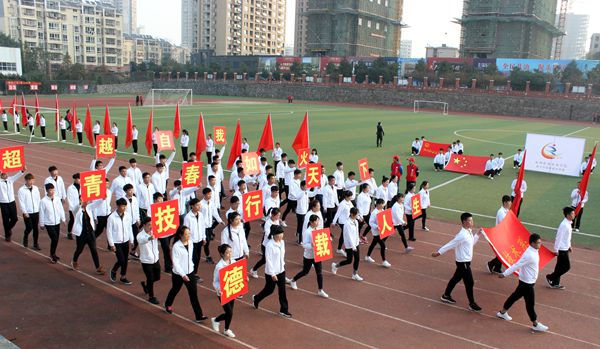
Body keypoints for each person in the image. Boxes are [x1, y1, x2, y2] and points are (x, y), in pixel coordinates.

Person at [497, 233, 549, 332]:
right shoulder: (529, 255)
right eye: (538, 243)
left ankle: (502, 313)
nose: (540, 244)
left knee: (515, 296)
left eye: (540, 242)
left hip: (526, 281)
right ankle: (535, 323)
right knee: (530, 304)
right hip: (527, 283)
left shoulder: (534, 250)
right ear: (533, 243)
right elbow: (517, 265)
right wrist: (505, 274)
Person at [432, 212, 482, 312]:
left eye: (472, 220)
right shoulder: (462, 235)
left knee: (456, 278)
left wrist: (478, 234)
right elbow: (451, 244)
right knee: (469, 282)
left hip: (465, 262)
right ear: (464, 222)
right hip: (463, 262)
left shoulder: (468, 231)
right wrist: (439, 252)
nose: (472, 222)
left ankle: (446, 295)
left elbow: (471, 243)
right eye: (470, 220)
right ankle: (472, 304)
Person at [164, 225, 208, 322]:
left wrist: (191, 268)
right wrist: (183, 275)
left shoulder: (191, 243)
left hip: (190, 272)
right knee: (175, 289)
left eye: (189, 233)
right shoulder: (176, 246)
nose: (189, 235)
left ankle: (199, 316)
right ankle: (168, 304)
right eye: (186, 234)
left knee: (193, 294)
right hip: (178, 274)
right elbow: (176, 263)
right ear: (180, 235)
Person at [252, 224, 292, 318]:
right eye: (279, 234)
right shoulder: (270, 245)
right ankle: (256, 298)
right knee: (269, 290)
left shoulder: (282, 242)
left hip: (281, 271)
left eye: (282, 234)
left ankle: (284, 310)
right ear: (274, 235)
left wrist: (282, 265)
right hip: (271, 273)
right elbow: (268, 260)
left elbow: (282, 256)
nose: (281, 236)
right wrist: (273, 274)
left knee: (282, 291)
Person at [289, 214, 329, 298]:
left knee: (319, 273)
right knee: (305, 272)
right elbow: (304, 245)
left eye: (318, 221)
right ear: (311, 222)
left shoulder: (318, 229)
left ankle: (320, 290)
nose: (318, 222)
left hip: (317, 255)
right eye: (316, 221)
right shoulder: (307, 232)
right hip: (308, 256)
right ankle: (293, 280)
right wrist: (311, 245)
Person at [211, 244, 237, 338]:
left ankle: (226, 329)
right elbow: (215, 281)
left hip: (232, 290)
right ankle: (217, 320)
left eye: (230, 251)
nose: (229, 254)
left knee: (229, 312)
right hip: (223, 292)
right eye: (227, 252)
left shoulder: (233, 261)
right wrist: (219, 290)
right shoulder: (219, 266)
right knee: (229, 313)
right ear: (222, 254)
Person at [546, 207, 575, 289]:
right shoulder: (564, 225)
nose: (574, 215)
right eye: (573, 213)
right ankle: (550, 277)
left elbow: (567, 237)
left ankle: (555, 283)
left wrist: (569, 245)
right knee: (566, 267)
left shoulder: (568, 223)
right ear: (568, 215)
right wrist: (556, 249)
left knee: (559, 267)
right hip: (562, 249)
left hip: (565, 248)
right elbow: (558, 237)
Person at [71, 201, 104, 275]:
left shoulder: (89, 208)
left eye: (86, 200)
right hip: (81, 234)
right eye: (82, 200)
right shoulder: (77, 210)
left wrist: (103, 199)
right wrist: (80, 204)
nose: (85, 202)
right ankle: (74, 261)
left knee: (94, 249)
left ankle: (98, 267)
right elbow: (74, 209)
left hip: (90, 233)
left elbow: (96, 204)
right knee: (79, 249)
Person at [332, 207, 363, 281]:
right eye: (356, 215)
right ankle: (336, 266)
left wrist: (358, 240)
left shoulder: (356, 221)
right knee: (349, 260)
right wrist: (353, 247)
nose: (357, 216)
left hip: (356, 243)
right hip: (350, 245)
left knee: (357, 258)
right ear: (352, 214)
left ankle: (355, 274)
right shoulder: (347, 224)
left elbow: (356, 232)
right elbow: (349, 236)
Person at [107, 198, 134, 284]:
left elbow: (129, 228)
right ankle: (114, 270)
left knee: (125, 260)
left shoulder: (127, 216)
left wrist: (132, 240)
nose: (124, 208)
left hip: (125, 241)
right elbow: (109, 231)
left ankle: (123, 276)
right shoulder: (111, 217)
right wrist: (111, 244)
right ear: (118, 206)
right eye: (122, 206)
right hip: (116, 242)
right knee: (121, 260)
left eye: (125, 206)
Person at [250, 208, 281, 278]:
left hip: (274, 244)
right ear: (273, 215)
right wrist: (275, 237)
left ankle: (274, 272)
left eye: (279, 215)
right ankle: (253, 269)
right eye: (277, 216)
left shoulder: (277, 221)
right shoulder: (268, 223)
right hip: (266, 245)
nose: (278, 217)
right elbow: (267, 234)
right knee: (264, 260)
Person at [39, 183, 66, 263]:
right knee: (54, 238)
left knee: (56, 239)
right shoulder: (43, 201)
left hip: (57, 222)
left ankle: (53, 253)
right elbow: (42, 213)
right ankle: (52, 254)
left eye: (53, 190)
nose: (52, 191)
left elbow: (60, 208)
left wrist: (63, 219)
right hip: (49, 223)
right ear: (47, 191)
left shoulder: (57, 198)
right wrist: (42, 223)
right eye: (50, 190)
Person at [137, 217, 161, 304]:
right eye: (149, 225)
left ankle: (146, 286)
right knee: (150, 278)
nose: (151, 226)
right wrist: (149, 238)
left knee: (157, 277)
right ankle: (151, 297)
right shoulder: (140, 235)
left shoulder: (155, 232)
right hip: (146, 261)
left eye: (152, 224)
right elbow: (142, 240)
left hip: (156, 260)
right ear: (144, 225)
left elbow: (162, 234)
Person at [487, 195, 512, 274]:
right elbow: (504, 224)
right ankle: (491, 264)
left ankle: (497, 267)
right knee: (502, 253)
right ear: (505, 202)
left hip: (504, 234)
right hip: (500, 235)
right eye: (509, 202)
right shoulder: (501, 212)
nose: (510, 203)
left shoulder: (507, 211)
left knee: (502, 252)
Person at [365, 199, 392, 268]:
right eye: (382, 204)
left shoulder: (382, 211)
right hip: (376, 232)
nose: (383, 205)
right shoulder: (374, 213)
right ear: (378, 204)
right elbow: (371, 222)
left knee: (373, 243)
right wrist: (377, 227)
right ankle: (384, 261)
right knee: (383, 246)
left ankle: (367, 256)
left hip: (381, 231)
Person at [17, 173, 41, 249]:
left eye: (33, 180)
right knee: (29, 227)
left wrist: (39, 208)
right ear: (26, 180)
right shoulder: (21, 190)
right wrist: (25, 212)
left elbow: (38, 199)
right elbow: (21, 202)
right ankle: (25, 237)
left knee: (36, 228)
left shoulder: (36, 188)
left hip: (35, 211)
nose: (31, 182)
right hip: (27, 212)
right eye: (30, 180)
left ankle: (35, 243)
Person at [0, 168, 24, 242]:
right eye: (4, 174)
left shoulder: (10, 179)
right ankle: (7, 235)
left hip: (12, 202)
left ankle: (8, 229)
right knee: (6, 220)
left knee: (15, 219)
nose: (6, 175)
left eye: (6, 173)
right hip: (3, 203)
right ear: (1, 175)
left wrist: (22, 170)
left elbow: (17, 175)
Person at [66, 173, 81, 240]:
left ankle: (79, 233)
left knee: (80, 220)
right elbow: (69, 199)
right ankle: (69, 232)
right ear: (75, 179)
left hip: (80, 206)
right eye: (78, 179)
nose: (79, 180)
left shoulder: (82, 186)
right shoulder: (70, 188)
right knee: (72, 220)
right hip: (73, 207)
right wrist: (72, 209)